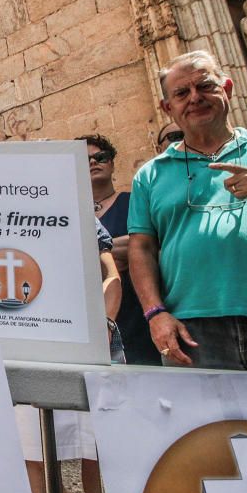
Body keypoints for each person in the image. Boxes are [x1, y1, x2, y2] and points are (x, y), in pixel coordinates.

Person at [128, 49, 247, 371]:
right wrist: (156, 314)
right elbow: (141, 248)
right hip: (191, 329)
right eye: (182, 93)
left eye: (205, 86)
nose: (195, 98)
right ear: (168, 107)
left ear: (226, 89)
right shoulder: (150, 174)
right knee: (204, 424)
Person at [19, 219, 122, 493]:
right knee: (33, 451)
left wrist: (106, 323)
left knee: (102, 450)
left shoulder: (83, 216)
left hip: (91, 339)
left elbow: (111, 275)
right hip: (32, 340)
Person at [79, 133, 160, 365]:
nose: (93, 162)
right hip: (94, 319)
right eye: (85, 160)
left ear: (112, 163)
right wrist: (123, 247)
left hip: (136, 312)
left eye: (100, 157)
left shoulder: (134, 202)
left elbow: (150, 246)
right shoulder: (71, 214)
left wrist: (95, 252)